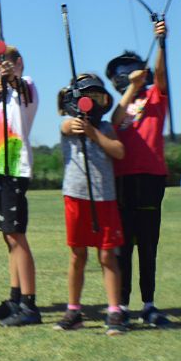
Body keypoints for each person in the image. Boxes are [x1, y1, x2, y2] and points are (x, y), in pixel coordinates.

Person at [107, 20, 171, 327]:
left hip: (150, 178)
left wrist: (160, 43)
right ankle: (121, 304)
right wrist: (131, 87)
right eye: (119, 72)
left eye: (130, 68)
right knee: (123, 245)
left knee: (147, 243)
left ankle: (149, 304)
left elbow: (160, 76)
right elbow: (116, 119)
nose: (124, 73)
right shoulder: (122, 104)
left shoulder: (155, 96)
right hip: (121, 181)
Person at [54, 74, 127, 335]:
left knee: (107, 256)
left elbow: (119, 151)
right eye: (86, 97)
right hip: (75, 197)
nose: (91, 102)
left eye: (97, 97)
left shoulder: (105, 127)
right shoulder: (68, 124)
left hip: (104, 198)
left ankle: (115, 311)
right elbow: (64, 128)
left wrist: (93, 133)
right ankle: (73, 310)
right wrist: (76, 126)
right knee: (78, 255)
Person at [0, 45, 40, 326]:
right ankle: (15, 297)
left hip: (15, 166)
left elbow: (22, 88)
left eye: (3, 65)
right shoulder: (2, 95)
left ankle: (29, 304)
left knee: (16, 235)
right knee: (7, 236)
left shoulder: (25, 87)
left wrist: (11, 78)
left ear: (19, 63)